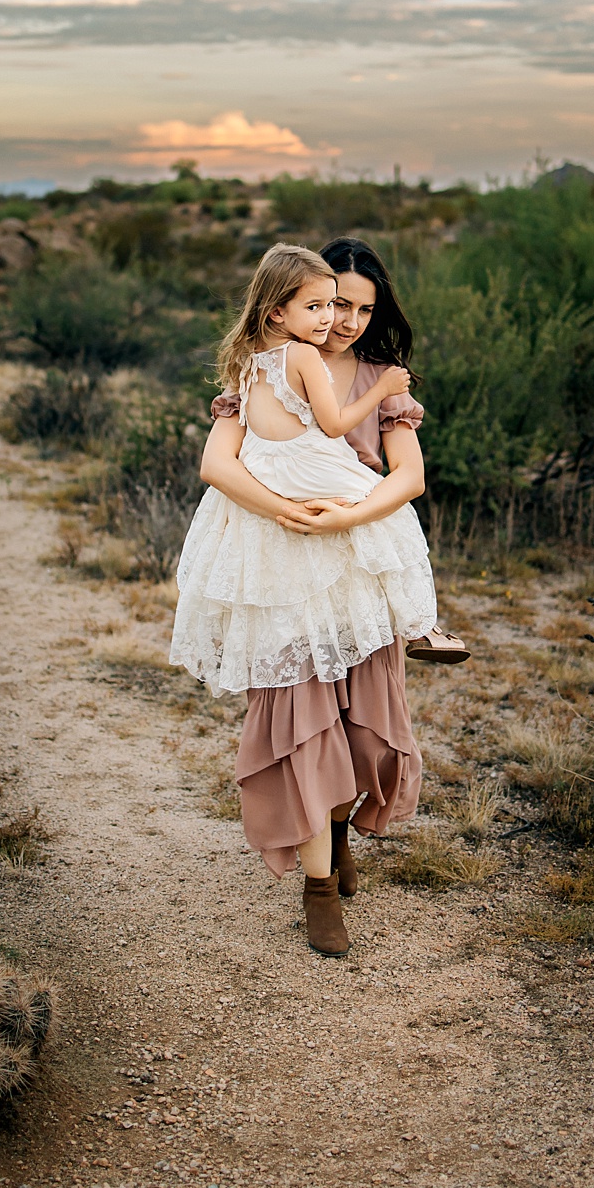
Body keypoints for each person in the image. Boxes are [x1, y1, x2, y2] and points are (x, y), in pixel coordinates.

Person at [171, 239, 437, 955]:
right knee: (306, 723)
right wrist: (279, 510)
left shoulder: (383, 379)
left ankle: (340, 829)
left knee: (365, 736)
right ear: (295, 303)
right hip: (285, 575)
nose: (345, 319)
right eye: (333, 303)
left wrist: (348, 516)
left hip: (360, 570)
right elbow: (217, 462)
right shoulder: (273, 361)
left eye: (360, 308)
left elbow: (407, 479)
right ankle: (319, 888)